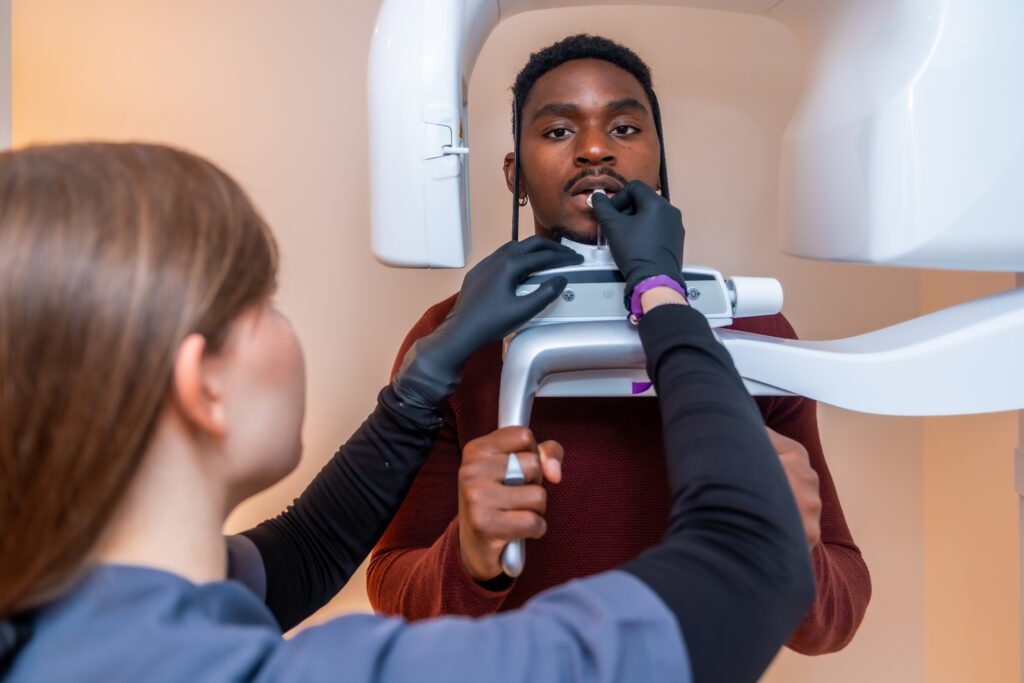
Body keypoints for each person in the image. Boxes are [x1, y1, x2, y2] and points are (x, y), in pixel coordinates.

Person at [0, 142, 813, 682]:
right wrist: (664, 298)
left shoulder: (61, 613)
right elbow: (747, 565)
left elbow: (306, 552)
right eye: (262, 302)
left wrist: (426, 374)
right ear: (200, 384)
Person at [368, 34, 871, 654]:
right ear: (514, 175)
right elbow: (391, 586)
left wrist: (793, 545)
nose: (595, 149)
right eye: (557, 131)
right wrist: (471, 557)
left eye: (626, 128)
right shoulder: (455, 341)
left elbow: (837, 618)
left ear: (663, 165)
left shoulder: (753, 337)